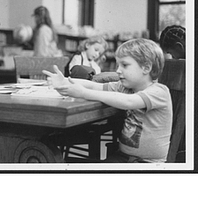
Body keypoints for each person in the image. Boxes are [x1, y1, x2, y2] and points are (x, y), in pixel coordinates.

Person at [43, 38, 172, 163]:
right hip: (123, 157)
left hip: (149, 164)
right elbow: (94, 85)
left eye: (124, 65)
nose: (118, 70)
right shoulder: (125, 87)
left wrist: (84, 93)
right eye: (118, 65)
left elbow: (129, 102)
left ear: (146, 68)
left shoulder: (159, 91)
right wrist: (65, 81)